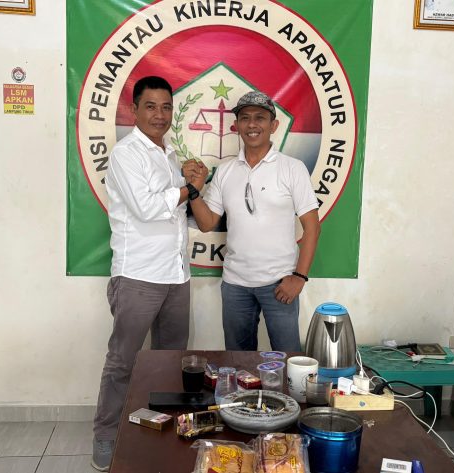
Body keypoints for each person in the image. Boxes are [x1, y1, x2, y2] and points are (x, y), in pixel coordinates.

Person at [91, 76, 205, 471]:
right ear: (134, 110)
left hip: (176, 275)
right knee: (123, 362)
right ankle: (106, 435)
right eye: (151, 106)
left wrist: (190, 187)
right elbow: (146, 208)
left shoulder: (170, 155)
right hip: (138, 275)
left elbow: (178, 214)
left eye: (166, 107)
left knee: (170, 362)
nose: (160, 114)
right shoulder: (127, 154)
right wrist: (190, 188)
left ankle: (160, 434)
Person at [183, 90, 320, 352]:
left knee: (287, 361)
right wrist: (193, 190)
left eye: (260, 118)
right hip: (235, 284)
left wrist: (299, 277)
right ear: (237, 126)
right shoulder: (225, 171)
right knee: (237, 364)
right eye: (245, 118)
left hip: (280, 282)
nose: (252, 124)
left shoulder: (292, 168)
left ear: (273, 125)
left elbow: (312, 227)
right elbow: (207, 223)